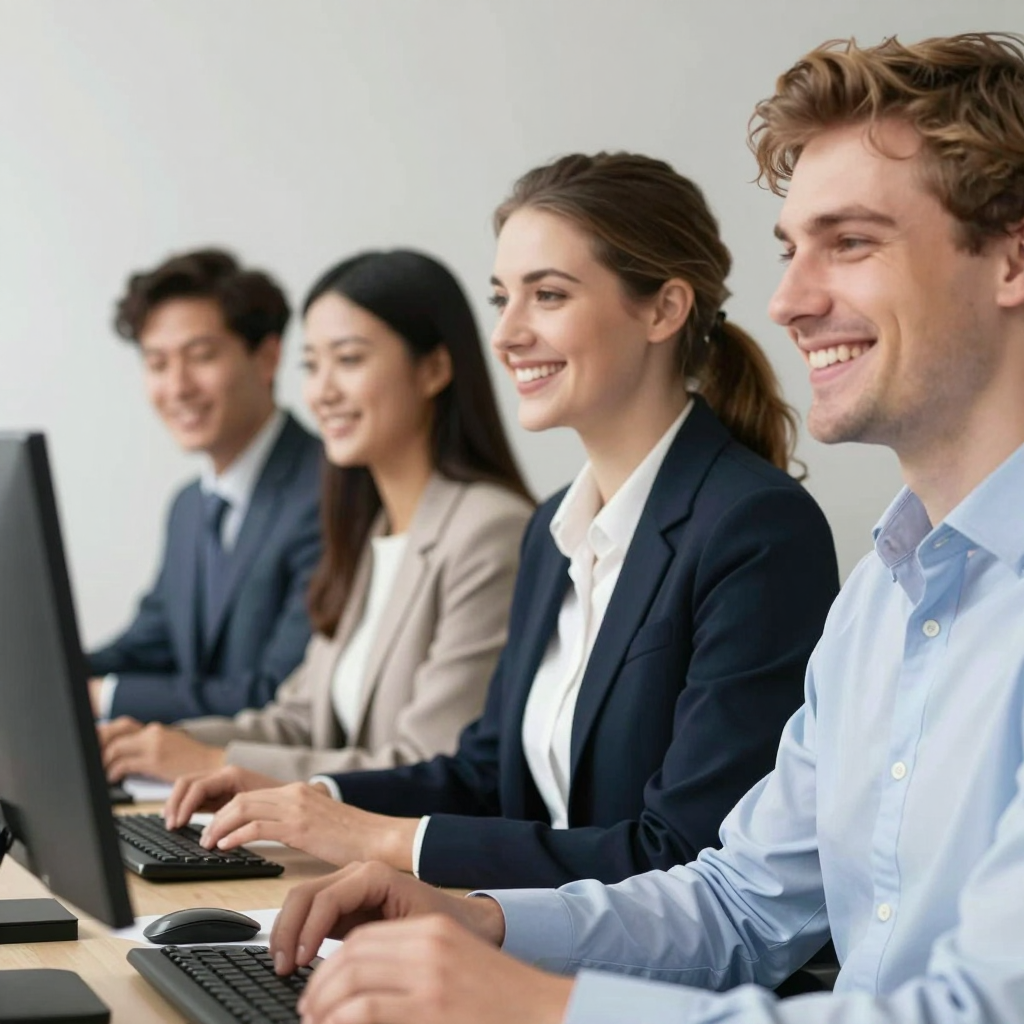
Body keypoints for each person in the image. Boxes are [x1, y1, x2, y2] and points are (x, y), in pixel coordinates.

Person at [261, 31, 1024, 1024]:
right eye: (791, 249)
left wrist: (533, 1006)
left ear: (1010, 260)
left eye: (851, 241)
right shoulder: (881, 596)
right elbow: (738, 902)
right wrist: (480, 919)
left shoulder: (765, 531)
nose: (788, 301)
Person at [164, 151, 839, 893]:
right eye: (501, 299)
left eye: (547, 296)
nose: (505, 335)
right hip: (523, 942)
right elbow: (486, 773)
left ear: (663, 309)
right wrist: (313, 801)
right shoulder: (554, 529)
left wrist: (382, 840)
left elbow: (681, 853)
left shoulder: (754, 530)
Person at [98, 250, 534, 783]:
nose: (322, 393)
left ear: (434, 369)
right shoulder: (370, 529)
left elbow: (430, 767)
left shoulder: (489, 531)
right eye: (312, 365)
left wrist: (213, 762)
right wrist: (162, 744)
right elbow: (298, 720)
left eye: (348, 360)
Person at [88, 248, 322, 724]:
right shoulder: (189, 507)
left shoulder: (327, 490)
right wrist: (42, 674)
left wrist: (103, 698)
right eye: (157, 364)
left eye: (201, 357)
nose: (177, 387)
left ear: (268, 357)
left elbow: (276, 691)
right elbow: (147, 645)